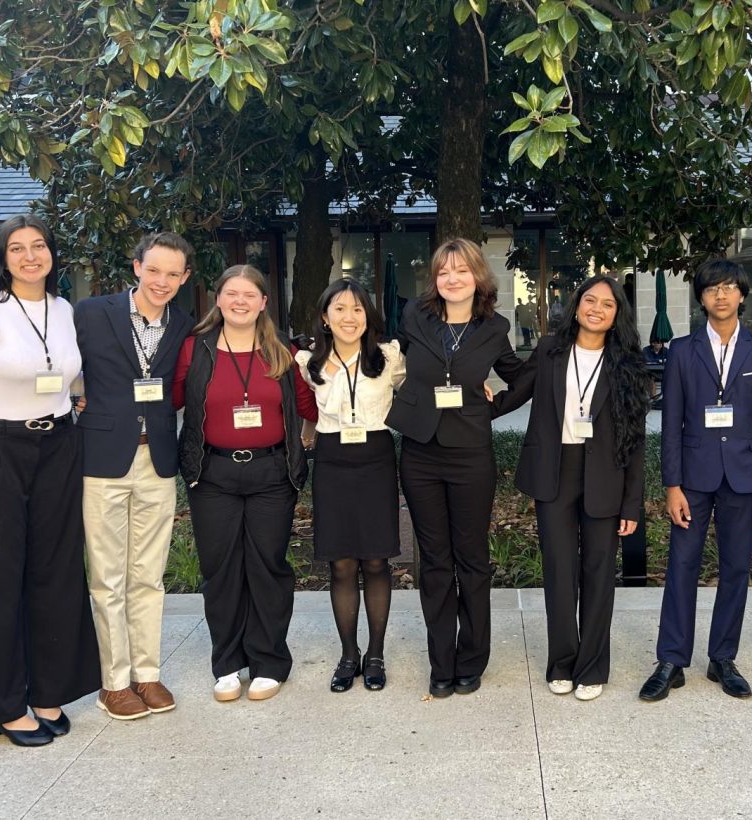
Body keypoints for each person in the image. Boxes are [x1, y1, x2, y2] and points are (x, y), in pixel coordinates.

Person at [0, 213, 100, 746]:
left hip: (56, 446)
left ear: (53, 253)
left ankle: (47, 690)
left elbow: (62, 370)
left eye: (39, 246)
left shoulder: (62, 309)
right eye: (17, 248)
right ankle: (3, 704)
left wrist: (73, 398)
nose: (30, 256)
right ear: (1, 257)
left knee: (54, 573)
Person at [494, 276, 650, 701]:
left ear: (618, 314)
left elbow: (635, 441)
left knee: (599, 573)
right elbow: (517, 393)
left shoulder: (628, 363)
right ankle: (561, 662)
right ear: (576, 305)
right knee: (560, 571)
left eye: (608, 304)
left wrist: (631, 505)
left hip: (606, 476)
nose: (596, 308)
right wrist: (476, 405)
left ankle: (593, 667)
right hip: (555, 471)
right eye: (589, 300)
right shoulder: (549, 350)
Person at [385, 237, 524, 698]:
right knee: (435, 561)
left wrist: (493, 406)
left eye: (461, 271)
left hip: (469, 454)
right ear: (435, 279)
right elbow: (393, 364)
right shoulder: (415, 317)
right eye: (444, 272)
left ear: (477, 276)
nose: (452, 279)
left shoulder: (494, 327)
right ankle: (440, 661)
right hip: (421, 452)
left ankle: (472, 658)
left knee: (471, 559)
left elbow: (523, 375)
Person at [639, 260, 752, 703]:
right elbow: (673, 422)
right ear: (701, 299)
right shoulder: (683, 350)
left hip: (746, 477)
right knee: (682, 565)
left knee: (736, 567)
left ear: (742, 295)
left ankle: (723, 657)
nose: (720, 296)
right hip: (694, 478)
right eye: (711, 289)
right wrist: (671, 485)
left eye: (728, 288)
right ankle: (671, 659)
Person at [173, 265, 317, 703]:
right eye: (231, 293)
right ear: (217, 299)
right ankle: (228, 664)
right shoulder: (194, 350)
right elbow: (170, 397)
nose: (240, 301)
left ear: (263, 303)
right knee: (221, 569)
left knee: (267, 566)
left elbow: (310, 402)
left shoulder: (282, 352)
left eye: (249, 294)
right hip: (212, 472)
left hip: (272, 473)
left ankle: (269, 661)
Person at [74, 232, 195, 720]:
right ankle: (114, 682)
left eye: (173, 273)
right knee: (107, 576)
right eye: (154, 270)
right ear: (136, 267)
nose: (161, 281)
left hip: (157, 460)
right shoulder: (90, 313)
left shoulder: (184, 323)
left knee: (148, 576)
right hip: (102, 458)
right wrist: (69, 400)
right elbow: (56, 364)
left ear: (184, 278)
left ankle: (147, 674)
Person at [295, 278, 405, 693]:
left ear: (367, 316)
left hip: (376, 457)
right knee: (340, 562)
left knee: (376, 560)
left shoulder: (388, 357)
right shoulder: (308, 362)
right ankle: (348, 654)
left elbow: (420, 391)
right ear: (325, 317)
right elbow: (305, 408)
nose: (349, 317)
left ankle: (375, 654)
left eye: (357, 309)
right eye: (339, 309)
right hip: (332, 461)